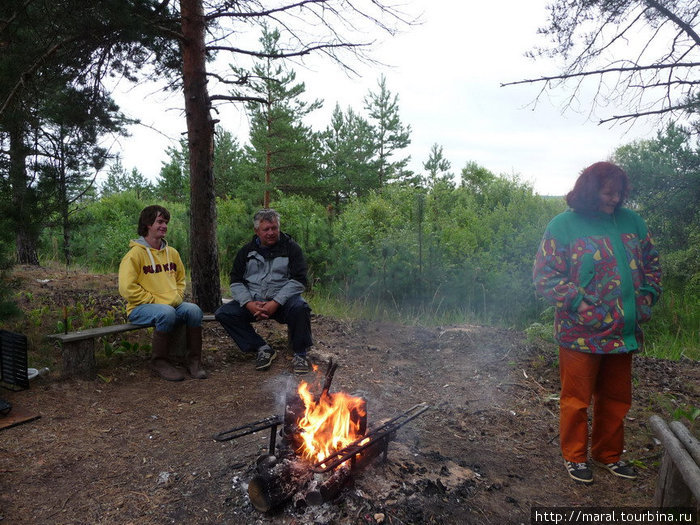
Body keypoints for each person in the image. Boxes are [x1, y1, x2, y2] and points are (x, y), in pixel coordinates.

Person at [533, 161, 661, 485]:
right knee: (576, 400)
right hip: (580, 333)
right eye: (608, 193)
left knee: (616, 399)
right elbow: (545, 276)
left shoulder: (633, 222)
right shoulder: (563, 226)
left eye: (619, 193)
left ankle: (608, 456)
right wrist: (579, 301)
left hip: (623, 331)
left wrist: (647, 295)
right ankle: (574, 457)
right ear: (590, 192)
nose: (615, 199)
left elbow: (652, 264)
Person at [215, 208, 313, 374]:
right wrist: (248, 303)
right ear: (256, 231)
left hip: (283, 303)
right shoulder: (246, 252)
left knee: (301, 308)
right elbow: (236, 282)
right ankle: (262, 348)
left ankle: (300, 353)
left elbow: (299, 281)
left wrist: (276, 302)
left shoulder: (292, 249)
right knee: (224, 313)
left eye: (274, 228)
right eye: (266, 229)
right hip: (255, 302)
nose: (271, 233)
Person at [118, 205, 207, 381]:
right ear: (147, 224)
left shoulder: (172, 253)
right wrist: (152, 300)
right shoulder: (134, 255)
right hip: (140, 308)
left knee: (194, 310)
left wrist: (178, 295)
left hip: (171, 305)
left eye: (166, 222)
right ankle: (160, 362)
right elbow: (126, 288)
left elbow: (181, 279)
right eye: (159, 221)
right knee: (166, 312)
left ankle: (193, 361)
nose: (164, 225)